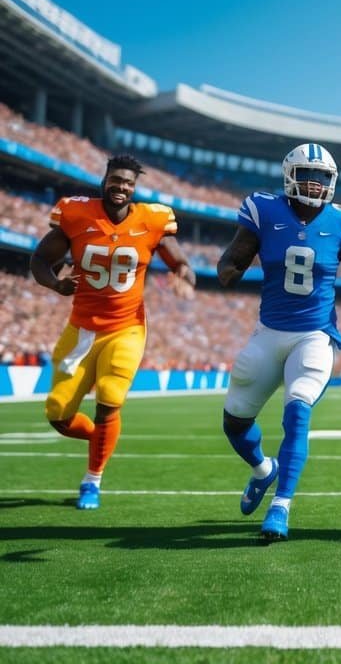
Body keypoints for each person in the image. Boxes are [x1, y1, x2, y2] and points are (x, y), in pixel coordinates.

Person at [217, 143, 341, 541]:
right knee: (234, 422)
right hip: (269, 332)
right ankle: (263, 471)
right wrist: (231, 267)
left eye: (322, 176)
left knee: (297, 412)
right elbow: (232, 260)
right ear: (290, 175)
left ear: (332, 181)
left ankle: (281, 506)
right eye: (308, 174)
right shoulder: (263, 210)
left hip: (315, 334)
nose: (314, 182)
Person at [30, 155, 195, 510]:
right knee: (58, 414)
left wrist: (183, 275)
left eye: (128, 183)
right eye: (116, 180)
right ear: (105, 180)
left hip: (126, 327)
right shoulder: (76, 214)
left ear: (135, 189)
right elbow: (39, 260)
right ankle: (100, 438)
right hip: (81, 329)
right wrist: (56, 285)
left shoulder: (151, 219)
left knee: (110, 397)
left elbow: (179, 261)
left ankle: (93, 479)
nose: (121, 187)